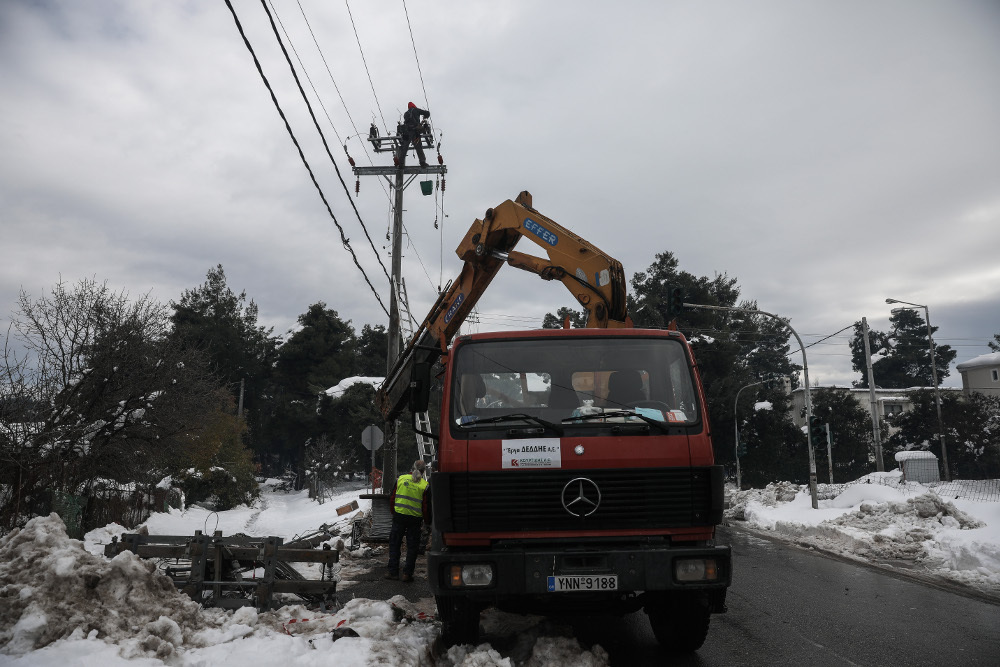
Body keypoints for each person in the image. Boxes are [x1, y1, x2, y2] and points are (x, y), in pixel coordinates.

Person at [384, 459, 430, 582]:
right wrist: (427, 521)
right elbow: (425, 507)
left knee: (395, 544)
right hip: (415, 519)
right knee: (412, 547)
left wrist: (394, 512)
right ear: (423, 471)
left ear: (412, 468)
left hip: (399, 516)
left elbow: (392, 498)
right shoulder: (425, 485)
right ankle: (407, 574)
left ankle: (393, 572)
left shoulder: (401, 479)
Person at [397, 101, 430, 168]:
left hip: (407, 132)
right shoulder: (416, 110)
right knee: (418, 148)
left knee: (404, 148)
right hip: (415, 132)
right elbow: (427, 113)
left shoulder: (406, 113)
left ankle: (400, 164)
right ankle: (422, 162)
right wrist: (425, 117)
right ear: (414, 106)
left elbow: (406, 122)